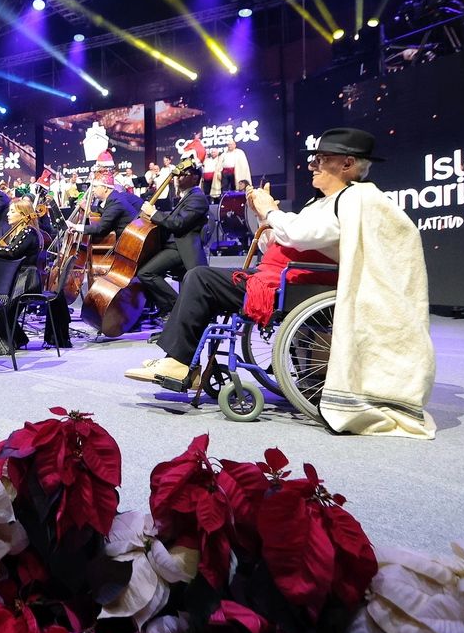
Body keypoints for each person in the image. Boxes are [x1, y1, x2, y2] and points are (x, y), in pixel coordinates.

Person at [123, 129, 435, 438]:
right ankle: (179, 361)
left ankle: (178, 363)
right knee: (202, 279)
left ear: (347, 164)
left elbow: (300, 234)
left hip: (297, 286)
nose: (312, 166)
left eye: (321, 160)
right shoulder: (325, 203)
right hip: (281, 277)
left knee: (200, 278)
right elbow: (278, 241)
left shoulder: (354, 199)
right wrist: (263, 217)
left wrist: (272, 210)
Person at [136, 160, 209, 323]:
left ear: (195, 177)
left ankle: (174, 307)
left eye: (184, 174)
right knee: (144, 268)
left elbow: (178, 223)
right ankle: (165, 309)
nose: (179, 177)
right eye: (179, 174)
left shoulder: (197, 198)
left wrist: (154, 213)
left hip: (181, 248)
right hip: (173, 245)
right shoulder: (188, 196)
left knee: (146, 273)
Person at [0, 199, 43, 355]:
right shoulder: (20, 232)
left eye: (12, 211)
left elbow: (12, 252)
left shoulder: (28, 232)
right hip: (18, 278)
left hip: (26, 280)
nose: (8, 214)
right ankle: (15, 338)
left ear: (23, 215)